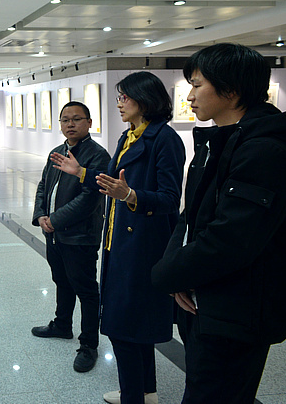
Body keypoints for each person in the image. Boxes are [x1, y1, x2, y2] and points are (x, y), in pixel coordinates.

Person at [151, 44, 286, 404]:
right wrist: (180, 273)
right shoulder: (222, 141)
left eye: (197, 85)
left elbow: (232, 239)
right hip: (209, 300)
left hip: (238, 311)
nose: (190, 96)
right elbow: (191, 216)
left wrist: (166, 275)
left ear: (231, 90)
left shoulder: (266, 151)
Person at [51, 72, 185, 404]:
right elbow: (112, 181)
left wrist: (131, 195)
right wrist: (81, 172)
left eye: (124, 97)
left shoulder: (164, 139)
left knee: (125, 328)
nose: (120, 104)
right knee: (133, 326)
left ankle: (132, 397)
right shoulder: (130, 136)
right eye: (119, 98)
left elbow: (169, 198)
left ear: (145, 99)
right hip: (119, 243)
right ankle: (146, 391)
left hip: (143, 247)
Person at [31, 101, 110, 373]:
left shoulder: (97, 156)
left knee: (86, 289)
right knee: (61, 280)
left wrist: (55, 220)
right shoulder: (57, 152)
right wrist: (41, 215)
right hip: (54, 235)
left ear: (89, 123)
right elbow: (44, 186)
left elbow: (90, 199)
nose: (70, 124)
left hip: (80, 236)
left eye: (77, 119)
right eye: (65, 120)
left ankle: (89, 344)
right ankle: (62, 324)